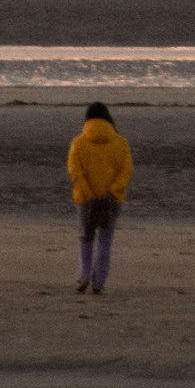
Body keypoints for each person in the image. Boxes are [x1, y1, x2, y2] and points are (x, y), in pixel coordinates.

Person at [67, 101, 133, 295]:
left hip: (85, 200)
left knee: (85, 237)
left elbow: (74, 171)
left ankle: (84, 274)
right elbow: (126, 170)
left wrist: (88, 193)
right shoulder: (121, 142)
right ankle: (99, 283)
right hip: (112, 200)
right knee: (105, 240)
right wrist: (112, 192)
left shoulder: (78, 142)